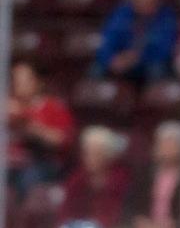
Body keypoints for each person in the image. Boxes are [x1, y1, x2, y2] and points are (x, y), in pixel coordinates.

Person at [7, 61, 75, 200]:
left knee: (27, 179)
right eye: (16, 80)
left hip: (42, 163)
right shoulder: (8, 107)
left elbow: (61, 140)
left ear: (38, 82)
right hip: (12, 162)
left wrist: (30, 126)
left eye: (25, 80)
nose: (19, 85)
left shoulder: (53, 107)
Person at [92, 0, 178, 87]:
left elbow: (165, 49)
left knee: (158, 69)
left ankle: (154, 97)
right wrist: (111, 59)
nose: (146, 4)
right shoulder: (121, 14)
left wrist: (137, 58)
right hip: (122, 60)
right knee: (98, 68)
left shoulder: (167, 17)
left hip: (149, 62)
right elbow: (106, 41)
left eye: (151, 1)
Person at [59, 126, 131, 228]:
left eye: (96, 154)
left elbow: (116, 214)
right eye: (87, 153)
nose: (89, 158)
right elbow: (66, 210)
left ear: (108, 156)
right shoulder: (78, 177)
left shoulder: (119, 179)